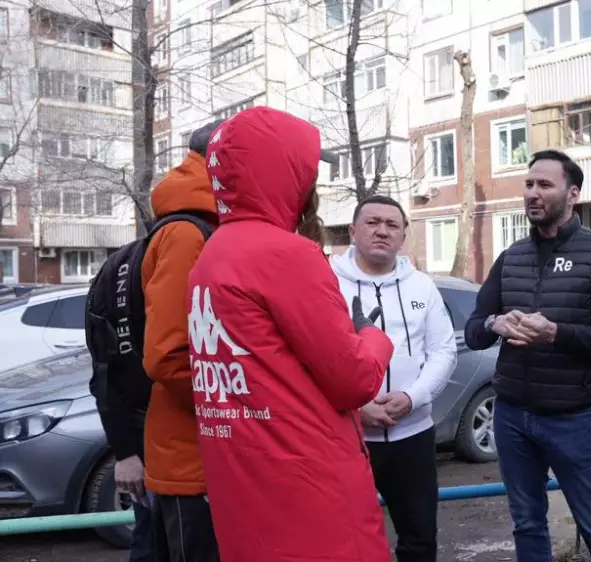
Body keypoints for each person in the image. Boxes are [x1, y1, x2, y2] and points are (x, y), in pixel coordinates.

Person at [187, 107, 395, 562]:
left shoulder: (212, 254)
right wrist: (374, 337)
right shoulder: (286, 254)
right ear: (282, 172)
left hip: (246, 489)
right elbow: (354, 380)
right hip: (311, 492)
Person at [465, 149, 591, 562]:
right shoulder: (511, 258)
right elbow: (474, 330)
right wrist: (495, 324)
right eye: (528, 184)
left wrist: (555, 334)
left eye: (544, 185)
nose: (532, 193)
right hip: (511, 416)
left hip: (572, 419)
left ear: (573, 194)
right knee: (526, 523)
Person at [331, 195, 457, 562]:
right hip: (347, 437)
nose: (382, 231)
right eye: (372, 222)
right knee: (346, 540)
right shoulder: (326, 283)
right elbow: (311, 358)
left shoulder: (422, 286)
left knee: (419, 539)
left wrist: (413, 397)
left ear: (403, 235)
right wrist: (356, 408)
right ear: (353, 231)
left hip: (412, 436)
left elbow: (443, 352)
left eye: (392, 225)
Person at [141, 119, 224, 562]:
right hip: (191, 461)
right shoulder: (188, 232)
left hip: (207, 453)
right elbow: (168, 356)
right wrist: (248, 406)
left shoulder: (208, 224)